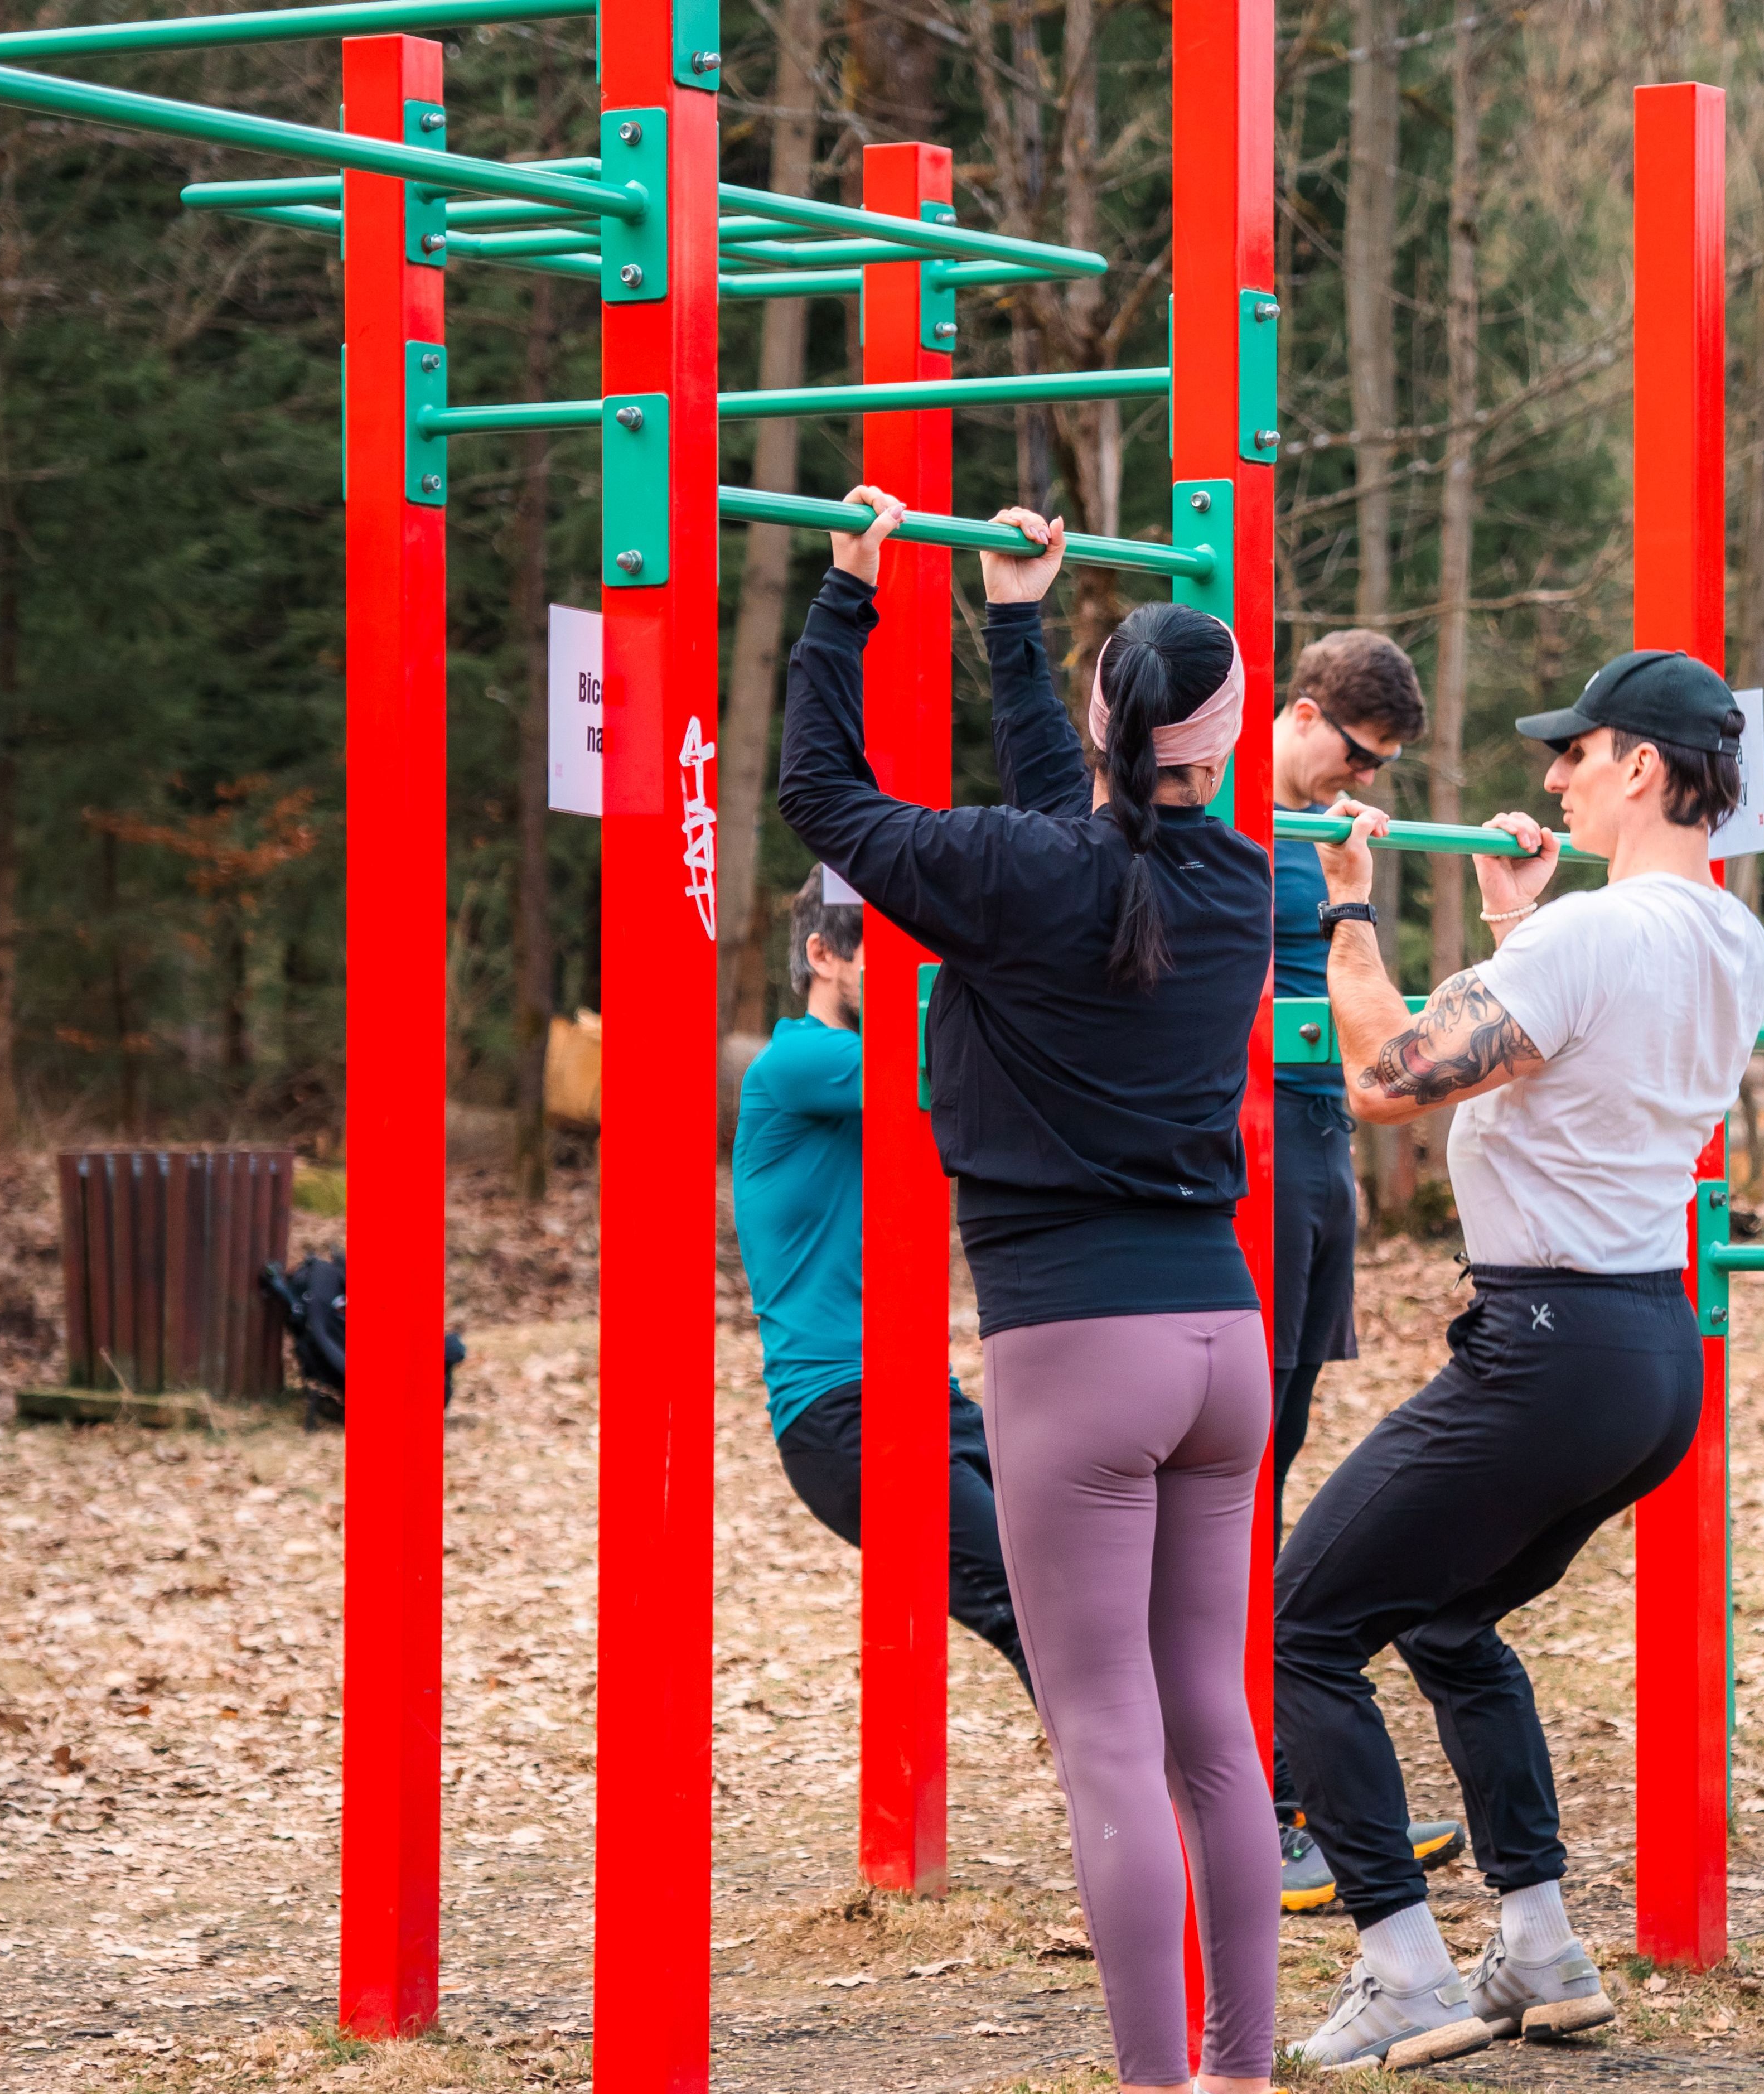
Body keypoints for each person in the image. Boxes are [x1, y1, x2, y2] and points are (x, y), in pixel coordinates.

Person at [776, 489, 1278, 2094]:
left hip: (1078, 1355)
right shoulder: (1243, 890)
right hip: (1221, 1344)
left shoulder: (1021, 878)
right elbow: (1096, 836)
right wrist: (1010, 619)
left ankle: (1151, 2090)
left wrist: (850, 592)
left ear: (1099, 717)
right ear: (1224, 735)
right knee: (1211, 1721)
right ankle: (1238, 2073)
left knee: (1110, 1738)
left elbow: (821, 795)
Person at [1273, 649, 1764, 2072]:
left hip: (1547, 1351)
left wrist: (1352, 912)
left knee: (1296, 1629)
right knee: (1443, 1622)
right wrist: (1515, 926)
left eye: (1576, 752)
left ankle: (1402, 1967)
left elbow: (1387, 1078)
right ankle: (1542, 1947)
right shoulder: (1730, 941)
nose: (1551, 778)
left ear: (1641, 768)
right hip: (1647, 1355)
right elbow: (1570, 1055)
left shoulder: (1590, 945)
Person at [1262, 630, 1463, 1914]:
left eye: (1375, 766)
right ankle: (1269, 1803)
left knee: (1267, 1474)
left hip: (1316, 1162)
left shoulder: (1321, 839)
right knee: (1230, 1494)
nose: (1355, 783)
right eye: (1348, 752)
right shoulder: (1207, 809)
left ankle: (1282, 1792)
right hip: (1246, 1168)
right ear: (1295, 713)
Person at [730, 866, 1031, 1700]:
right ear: (824, 955)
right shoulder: (800, 1065)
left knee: (1091, 1582)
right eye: (887, 955)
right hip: (844, 1413)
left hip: (926, 1398)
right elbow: (972, 1056)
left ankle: (1266, 1799)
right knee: (1030, 1606)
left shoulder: (886, 1073)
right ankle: (1168, 1820)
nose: (914, 977)